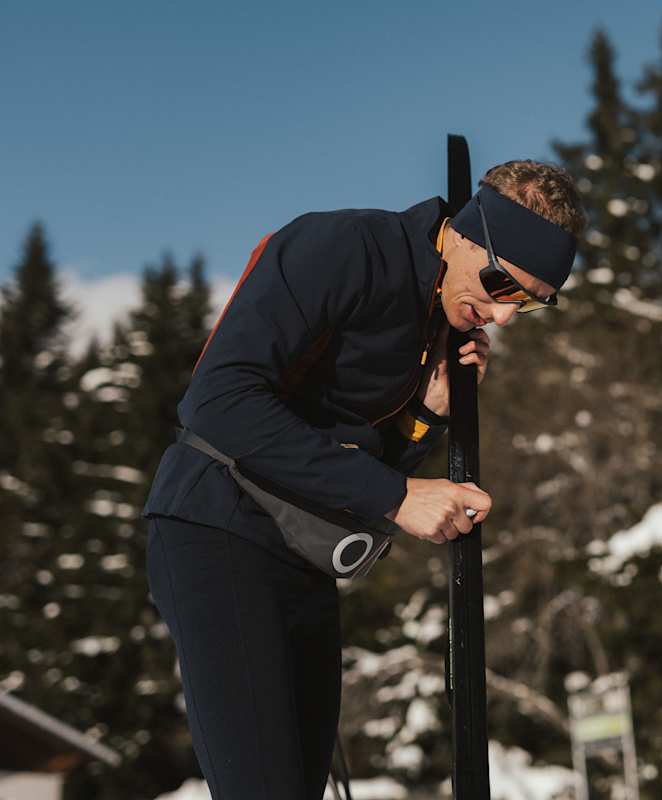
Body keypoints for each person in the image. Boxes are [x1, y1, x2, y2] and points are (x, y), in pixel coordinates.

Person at [143, 160, 586, 799]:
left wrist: (425, 419)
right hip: (217, 529)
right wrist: (398, 497)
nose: (503, 315)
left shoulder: (440, 317)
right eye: (498, 282)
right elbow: (218, 401)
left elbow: (351, 463)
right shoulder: (341, 249)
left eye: (527, 300)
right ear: (463, 231)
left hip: (304, 552)